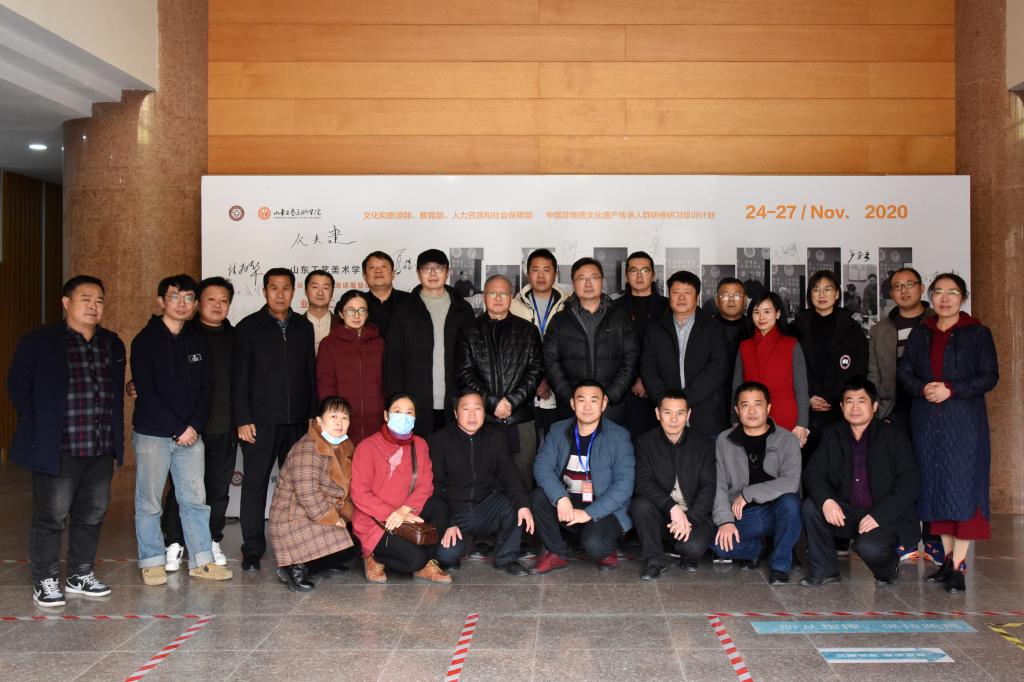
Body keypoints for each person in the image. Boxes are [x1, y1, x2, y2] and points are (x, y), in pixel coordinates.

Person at [7, 276, 125, 607]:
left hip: (100, 445)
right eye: (85, 299)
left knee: (93, 513)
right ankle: (45, 578)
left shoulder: (112, 343)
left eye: (99, 300)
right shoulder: (39, 342)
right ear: (66, 302)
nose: (93, 306)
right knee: (51, 516)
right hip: (57, 448)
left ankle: (79, 574)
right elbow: (18, 387)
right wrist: (41, 426)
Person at [898, 273, 999, 594]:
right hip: (927, 419)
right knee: (935, 486)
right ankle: (947, 560)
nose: (945, 298)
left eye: (952, 292)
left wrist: (950, 389)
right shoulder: (921, 333)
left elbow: (989, 376)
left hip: (964, 423)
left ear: (962, 297)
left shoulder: (978, 333)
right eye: (939, 292)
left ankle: (958, 565)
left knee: (963, 488)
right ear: (931, 296)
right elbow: (905, 372)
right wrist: (923, 389)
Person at [130, 274, 232, 585]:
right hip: (153, 434)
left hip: (190, 435)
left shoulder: (197, 340)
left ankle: (201, 560)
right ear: (161, 301)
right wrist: (178, 429)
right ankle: (151, 561)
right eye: (175, 296)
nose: (182, 303)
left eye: (188, 298)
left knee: (195, 500)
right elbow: (146, 392)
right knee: (149, 501)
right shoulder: (145, 340)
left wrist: (193, 427)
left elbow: (206, 388)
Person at [233, 267, 318, 572]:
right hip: (260, 422)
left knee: (297, 487)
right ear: (264, 291)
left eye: (285, 288)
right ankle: (252, 550)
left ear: (294, 292)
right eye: (273, 288)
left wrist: (312, 416)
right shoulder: (248, 327)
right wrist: (243, 418)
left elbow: (310, 375)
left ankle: (296, 549)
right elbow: (239, 377)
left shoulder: (303, 328)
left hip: (297, 423)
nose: (280, 294)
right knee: (254, 486)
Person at [801, 378, 921, 587]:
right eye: (849, 401)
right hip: (848, 513)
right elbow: (813, 473)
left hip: (885, 516)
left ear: (874, 406)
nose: (855, 407)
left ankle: (888, 570)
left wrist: (879, 515)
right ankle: (825, 571)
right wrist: (827, 500)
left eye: (861, 401)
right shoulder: (832, 434)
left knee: (869, 547)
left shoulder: (894, 436)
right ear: (841, 407)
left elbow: (910, 482)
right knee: (812, 506)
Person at [162, 276, 237, 570]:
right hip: (189, 429)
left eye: (223, 301)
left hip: (225, 427)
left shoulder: (236, 337)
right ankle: (174, 541)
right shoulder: (184, 334)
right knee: (183, 489)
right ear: (198, 304)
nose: (217, 305)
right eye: (211, 300)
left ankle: (211, 540)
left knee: (218, 491)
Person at [866, 266, 939, 564]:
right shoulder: (881, 329)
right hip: (893, 411)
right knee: (897, 476)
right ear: (891, 293)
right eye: (897, 286)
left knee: (932, 473)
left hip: (930, 410)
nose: (904, 290)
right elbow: (873, 373)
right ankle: (906, 538)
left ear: (921, 288)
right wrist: (877, 410)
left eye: (910, 284)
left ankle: (934, 538)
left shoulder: (936, 322)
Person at [530, 380, 636, 574]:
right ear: (573, 403)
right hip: (568, 506)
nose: (587, 407)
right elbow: (542, 466)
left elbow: (625, 485)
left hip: (603, 510)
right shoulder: (558, 430)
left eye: (594, 400)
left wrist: (588, 513)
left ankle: (605, 548)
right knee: (538, 496)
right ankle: (557, 553)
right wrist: (560, 498)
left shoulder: (619, 436)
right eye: (581, 400)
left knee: (595, 545)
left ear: (603, 404)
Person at [430, 391, 534, 576]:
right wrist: (449, 522)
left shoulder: (495, 437)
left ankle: (506, 558)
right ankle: (463, 545)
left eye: (477, 409)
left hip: (486, 507)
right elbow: (434, 486)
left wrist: (523, 505)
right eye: (466, 409)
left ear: (484, 413)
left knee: (515, 504)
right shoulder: (439, 441)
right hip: (454, 511)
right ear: (455, 413)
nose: (472, 415)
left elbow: (510, 474)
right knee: (446, 557)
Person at [350, 393, 451, 583]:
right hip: (375, 520)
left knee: (440, 507)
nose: (403, 417)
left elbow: (425, 484)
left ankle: (425, 562)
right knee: (415, 559)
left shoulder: (420, 445)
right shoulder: (367, 446)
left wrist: (404, 511)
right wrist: (392, 513)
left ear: (415, 417)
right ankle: (372, 556)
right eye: (397, 412)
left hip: (406, 512)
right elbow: (359, 493)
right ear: (386, 415)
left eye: (409, 413)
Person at [712, 382, 802, 585]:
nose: (752, 411)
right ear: (737, 410)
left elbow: (791, 482)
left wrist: (748, 493)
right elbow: (719, 485)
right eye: (745, 405)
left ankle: (780, 566)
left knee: (791, 503)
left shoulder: (787, 439)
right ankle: (757, 548)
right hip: (743, 515)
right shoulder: (724, 439)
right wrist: (725, 521)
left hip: (776, 511)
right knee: (718, 546)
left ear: (768, 408)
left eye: (757, 404)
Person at [455, 274, 544, 474]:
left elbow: (536, 370)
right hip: (483, 419)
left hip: (520, 418)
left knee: (522, 477)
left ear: (511, 297)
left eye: (503, 293)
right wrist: (492, 403)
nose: (497, 298)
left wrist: (512, 401)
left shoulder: (528, 330)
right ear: (484, 296)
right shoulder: (468, 332)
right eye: (492, 293)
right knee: (482, 478)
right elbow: (464, 373)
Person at [269, 396, 358, 592]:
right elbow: (308, 494)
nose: (339, 422)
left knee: (352, 545)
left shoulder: (344, 446)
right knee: (352, 545)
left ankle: (320, 560)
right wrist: (333, 519)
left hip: (315, 514)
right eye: (333, 416)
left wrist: (345, 515)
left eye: (344, 418)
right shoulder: (307, 447)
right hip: (293, 518)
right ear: (319, 420)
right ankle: (294, 567)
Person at [383, 249, 474, 436]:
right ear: (418, 273)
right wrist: (397, 401)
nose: (433, 273)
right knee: (417, 452)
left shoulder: (463, 309)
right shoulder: (404, 310)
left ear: (447, 272)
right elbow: (392, 360)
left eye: (438, 268)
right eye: (426, 268)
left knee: (451, 452)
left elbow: (473, 357)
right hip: (414, 404)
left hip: (455, 401)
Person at [631, 391, 716, 579]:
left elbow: (708, 488)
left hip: (694, 515)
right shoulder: (646, 442)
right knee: (640, 505)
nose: (674, 419)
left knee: (692, 548)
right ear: (658, 414)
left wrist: (688, 520)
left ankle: (683, 550)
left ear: (688, 414)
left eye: (680, 413)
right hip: (664, 512)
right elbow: (643, 482)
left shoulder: (704, 444)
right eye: (668, 412)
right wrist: (672, 508)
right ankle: (655, 560)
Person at [542, 258, 638, 425]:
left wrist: (609, 396)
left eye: (593, 277)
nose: (588, 283)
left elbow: (631, 360)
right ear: (573, 283)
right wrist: (572, 398)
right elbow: (551, 363)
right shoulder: (559, 321)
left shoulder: (620, 318)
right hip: (571, 409)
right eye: (581, 278)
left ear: (602, 281)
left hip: (613, 409)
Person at [640, 270, 730, 440]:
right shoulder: (655, 330)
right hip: (666, 417)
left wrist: (684, 400)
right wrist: (666, 402)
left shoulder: (712, 328)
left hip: (706, 415)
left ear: (697, 296)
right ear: (669, 296)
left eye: (687, 292)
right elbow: (648, 368)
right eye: (676, 292)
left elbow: (719, 367)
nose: (681, 297)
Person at [792, 270, 868, 459]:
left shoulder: (852, 329)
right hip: (804, 412)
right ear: (810, 295)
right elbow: (789, 368)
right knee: (806, 466)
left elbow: (859, 369)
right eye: (816, 289)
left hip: (840, 411)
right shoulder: (796, 327)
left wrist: (836, 397)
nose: (822, 294)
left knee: (839, 463)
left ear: (837, 294)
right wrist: (808, 397)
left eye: (827, 289)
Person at [732, 291, 810, 447]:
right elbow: (737, 387)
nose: (761, 317)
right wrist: (735, 420)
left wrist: (802, 424)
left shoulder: (791, 345)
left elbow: (801, 388)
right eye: (756, 312)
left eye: (767, 311)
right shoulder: (745, 346)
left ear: (778, 313)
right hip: (751, 415)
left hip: (785, 414)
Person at [510, 248, 569, 445]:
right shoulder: (513, 306)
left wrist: (549, 379)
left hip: (559, 388)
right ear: (527, 273)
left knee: (558, 444)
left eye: (546, 270)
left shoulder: (568, 305)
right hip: (524, 390)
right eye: (535, 270)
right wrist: (535, 382)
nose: (541, 276)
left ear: (555, 273)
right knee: (527, 449)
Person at [317, 289, 384, 443]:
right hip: (342, 423)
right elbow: (325, 385)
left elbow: (385, 382)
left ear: (367, 314)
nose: (356, 315)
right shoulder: (329, 344)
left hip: (376, 421)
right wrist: (334, 417)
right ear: (341, 313)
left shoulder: (380, 343)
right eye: (351, 310)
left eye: (362, 310)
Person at [614, 251, 668, 439]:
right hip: (624, 389)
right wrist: (632, 379)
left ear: (653, 275)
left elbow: (669, 351)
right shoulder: (614, 308)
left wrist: (648, 380)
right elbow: (612, 350)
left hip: (660, 388)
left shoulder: (668, 307)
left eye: (645, 270)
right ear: (626, 275)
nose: (639, 275)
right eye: (633, 270)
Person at [334, 251, 411, 339]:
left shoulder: (410, 300)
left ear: (393, 273)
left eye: (383, 267)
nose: (378, 271)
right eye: (372, 268)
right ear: (364, 276)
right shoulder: (356, 303)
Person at [714, 277, 753, 424]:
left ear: (745, 300)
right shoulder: (705, 328)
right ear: (717, 300)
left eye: (737, 295)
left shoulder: (755, 328)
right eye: (725, 295)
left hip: (748, 399)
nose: (731, 300)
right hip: (714, 401)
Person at [304, 269, 336, 355]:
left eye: (325, 288)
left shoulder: (343, 324)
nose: (320, 293)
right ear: (306, 291)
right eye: (315, 287)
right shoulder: (293, 325)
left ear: (332, 293)